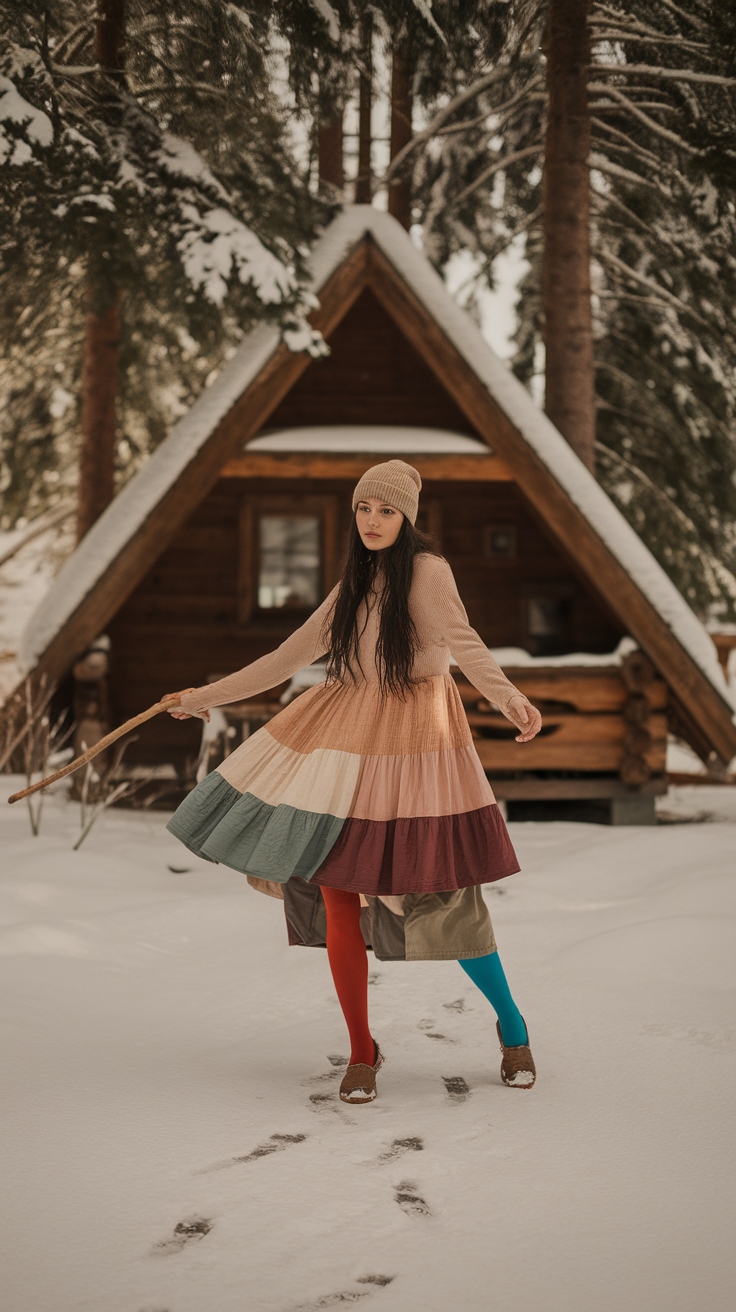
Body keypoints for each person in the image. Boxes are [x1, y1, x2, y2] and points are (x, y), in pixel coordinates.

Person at [164, 460, 542, 1103]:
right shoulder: (354, 581)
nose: (372, 521)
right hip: (345, 746)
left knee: (445, 899)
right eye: (364, 508)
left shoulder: (428, 572)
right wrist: (207, 695)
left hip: (417, 747)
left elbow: (465, 641)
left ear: (407, 518)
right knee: (336, 892)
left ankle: (513, 1029)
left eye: (386, 511)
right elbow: (288, 656)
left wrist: (507, 699)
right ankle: (362, 1050)